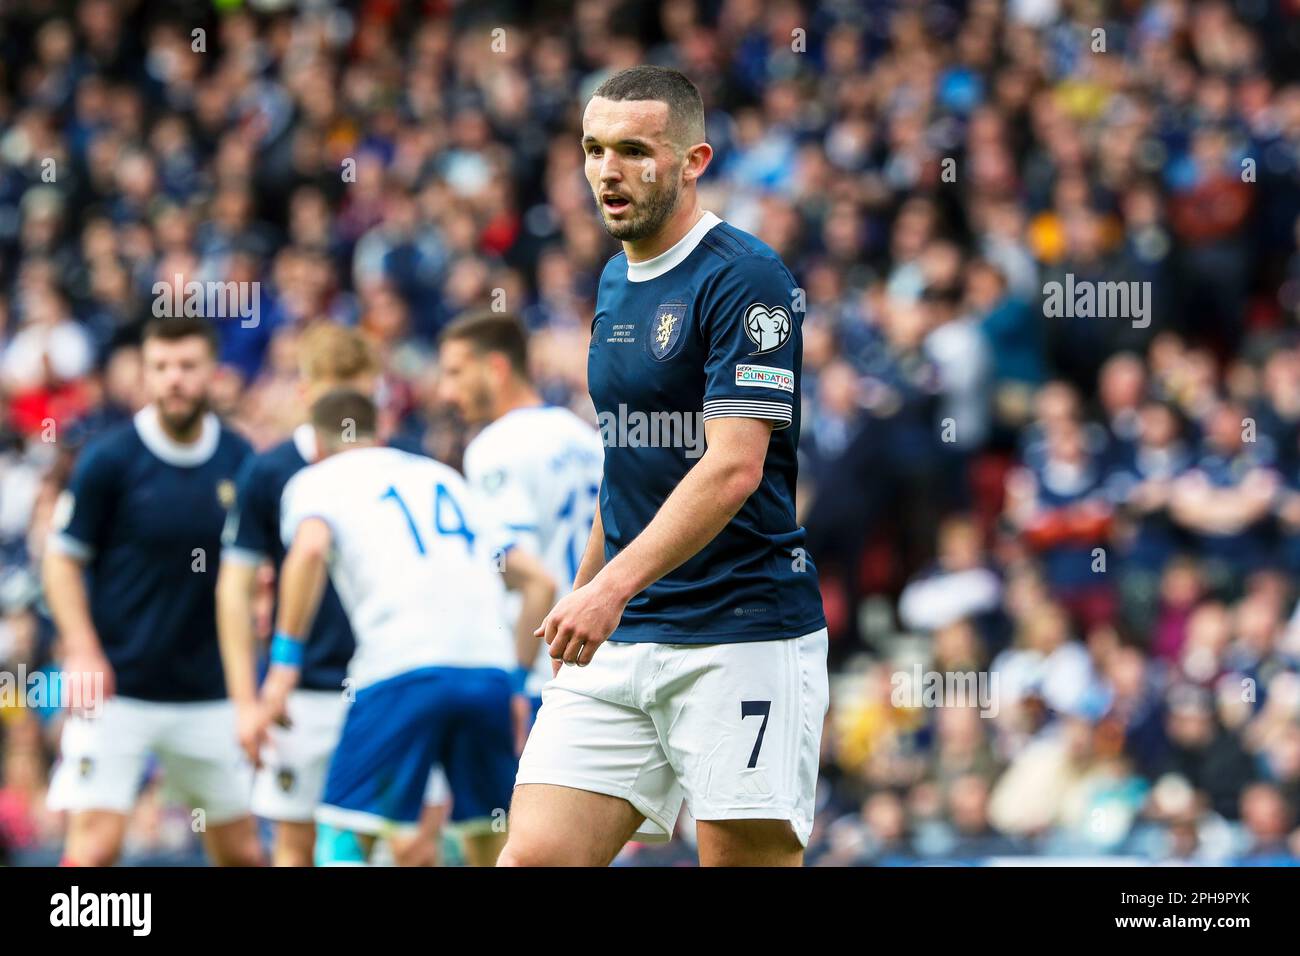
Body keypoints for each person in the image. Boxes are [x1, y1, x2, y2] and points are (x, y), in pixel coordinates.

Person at [501, 66, 829, 868]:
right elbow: (627, 463)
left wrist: (606, 590)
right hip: (624, 631)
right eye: (593, 149)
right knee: (532, 860)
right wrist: (586, 588)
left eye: (634, 150)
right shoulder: (616, 279)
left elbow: (734, 469)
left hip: (740, 632)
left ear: (693, 160)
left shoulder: (746, 280)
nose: (607, 171)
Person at [260, 388, 554, 866]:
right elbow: (539, 582)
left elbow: (310, 549)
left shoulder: (316, 479)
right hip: (488, 673)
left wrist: (284, 664)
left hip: (400, 667)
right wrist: (517, 685)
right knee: (489, 835)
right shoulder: (443, 477)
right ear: (383, 434)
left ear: (315, 444)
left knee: (344, 836)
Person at [216, 321, 449, 867]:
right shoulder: (269, 473)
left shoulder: (409, 463)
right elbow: (234, 589)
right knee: (297, 848)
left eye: (360, 395)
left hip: (395, 678)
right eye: (333, 396)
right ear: (304, 393)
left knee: (412, 846)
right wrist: (246, 701)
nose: (347, 413)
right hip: (304, 695)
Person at [43, 317, 262, 866]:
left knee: (240, 851)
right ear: (145, 374)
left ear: (212, 373)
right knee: (94, 846)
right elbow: (61, 560)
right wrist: (82, 649)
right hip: (117, 690)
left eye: (187, 367)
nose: (174, 380)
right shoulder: (109, 459)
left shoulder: (240, 461)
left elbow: (261, 568)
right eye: (160, 368)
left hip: (210, 695)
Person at [437, 310, 604, 728]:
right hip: (603, 655)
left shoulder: (493, 448)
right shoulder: (584, 436)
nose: (445, 392)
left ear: (495, 368)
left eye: (456, 373)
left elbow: (536, 581)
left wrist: (513, 682)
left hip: (543, 672)